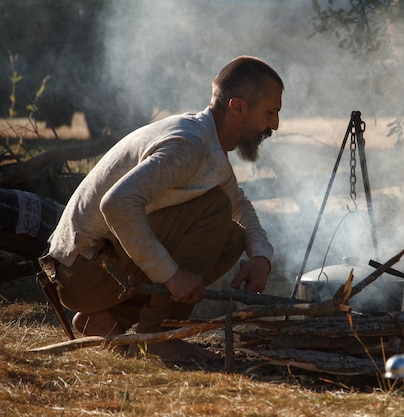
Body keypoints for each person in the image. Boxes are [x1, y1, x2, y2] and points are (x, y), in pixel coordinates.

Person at [44, 56, 283, 361]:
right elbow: (117, 204)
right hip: (81, 272)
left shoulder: (206, 144)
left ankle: (105, 318)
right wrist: (172, 275)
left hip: (89, 275)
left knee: (232, 238)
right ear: (237, 107)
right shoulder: (188, 144)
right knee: (213, 209)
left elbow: (239, 204)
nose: (274, 125)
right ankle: (159, 337)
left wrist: (261, 255)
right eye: (270, 113)